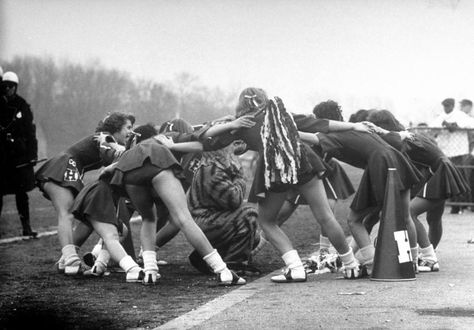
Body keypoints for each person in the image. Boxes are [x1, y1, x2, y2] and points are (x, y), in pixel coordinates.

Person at [200, 88, 370, 283]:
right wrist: (354, 126)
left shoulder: (241, 124)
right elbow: (322, 124)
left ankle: (295, 267)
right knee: (325, 217)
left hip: (275, 168)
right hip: (303, 159)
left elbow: (205, 138)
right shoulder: (281, 113)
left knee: (267, 221)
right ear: (265, 99)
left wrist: (226, 123)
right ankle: (351, 265)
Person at [105, 123, 246, 286]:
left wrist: (109, 169)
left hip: (128, 169)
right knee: (184, 219)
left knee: (148, 219)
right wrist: (233, 125)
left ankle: (150, 271)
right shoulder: (170, 136)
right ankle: (223, 271)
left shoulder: (138, 145)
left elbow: (118, 163)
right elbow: (203, 140)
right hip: (157, 160)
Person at [297, 103, 422, 276]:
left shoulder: (336, 133)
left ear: (322, 120)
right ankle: (411, 261)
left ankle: (373, 263)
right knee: (404, 217)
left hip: (380, 165)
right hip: (399, 163)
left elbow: (313, 138)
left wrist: (288, 131)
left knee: (354, 220)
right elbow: (394, 139)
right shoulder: (360, 127)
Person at [366, 109, 469, 272]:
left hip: (439, 173)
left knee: (409, 213)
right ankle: (429, 254)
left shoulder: (404, 138)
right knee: (434, 219)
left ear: (382, 127)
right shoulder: (409, 134)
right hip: (442, 169)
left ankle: (429, 258)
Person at [36, 112, 134, 275]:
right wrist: (123, 150)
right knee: (66, 213)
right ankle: (71, 259)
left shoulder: (108, 139)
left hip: (71, 168)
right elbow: (107, 146)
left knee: (89, 216)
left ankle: (65, 261)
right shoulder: (106, 137)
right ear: (116, 128)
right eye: (128, 127)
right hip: (65, 165)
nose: (131, 132)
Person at [186, 138, 261, 275]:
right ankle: (234, 264)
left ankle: (204, 256)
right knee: (248, 215)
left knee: (254, 237)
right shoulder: (213, 171)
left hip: (206, 220)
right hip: (204, 222)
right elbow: (235, 200)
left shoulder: (212, 165)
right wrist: (239, 173)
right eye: (232, 144)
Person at [0, 71, 38, 237]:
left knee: (21, 193)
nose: (8, 89)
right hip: (2, 156)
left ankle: (26, 226)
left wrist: (32, 154)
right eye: (5, 86)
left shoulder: (22, 105)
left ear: (15, 87)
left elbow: (30, 132)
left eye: (11, 86)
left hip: (19, 156)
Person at [430, 98, 474, 214]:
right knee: (448, 179)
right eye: (445, 106)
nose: (447, 108)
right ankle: (454, 205)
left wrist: (455, 125)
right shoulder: (441, 116)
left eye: (449, 106)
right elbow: (432, 128)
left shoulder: (460, 115)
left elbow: (469, 123)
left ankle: (461, 205)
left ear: (453, 106)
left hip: (459, 152)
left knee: (460, 178)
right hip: (445, 152)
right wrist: (445, 125)